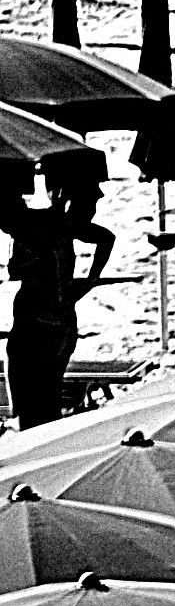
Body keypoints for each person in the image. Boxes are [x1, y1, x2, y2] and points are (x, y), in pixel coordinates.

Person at [0, 179, 113, 428]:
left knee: (35, 403)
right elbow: (105, 238)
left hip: (41, 324)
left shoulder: (40, 225)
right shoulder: (53, 223)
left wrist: (90, 280)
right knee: (41, 401)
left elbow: (105, 238)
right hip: (54, 322)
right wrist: (90, 280)